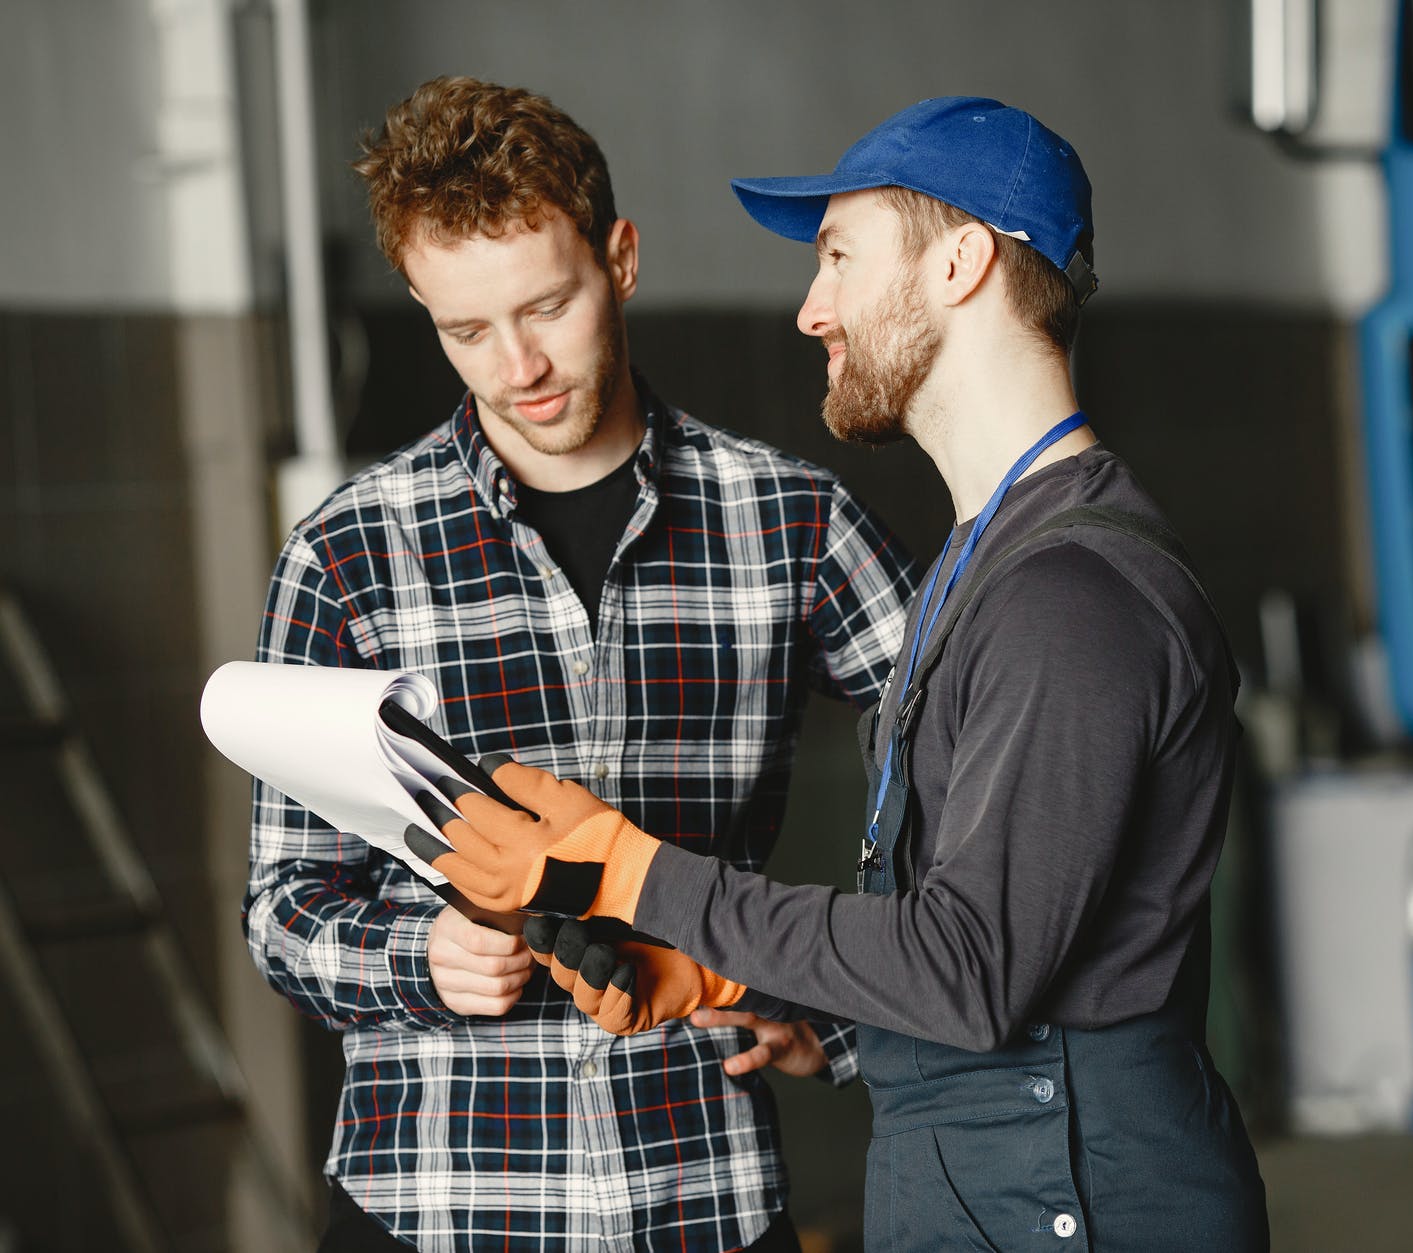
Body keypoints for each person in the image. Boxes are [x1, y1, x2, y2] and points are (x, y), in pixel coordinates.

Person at [411, 96, 1269, 1251]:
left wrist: (631, 871)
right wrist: (734, 983)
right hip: (1002, 1185)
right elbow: (975, 932)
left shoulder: (1070, 599)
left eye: (837, 256)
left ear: (962, 261)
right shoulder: (984, 561)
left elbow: (970, 967)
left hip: (1076, 1197)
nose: (812, 308)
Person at [242, 76, 916, 1253]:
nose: (516, 366)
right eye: (464, 330)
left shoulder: (790, 518)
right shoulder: (347, 553)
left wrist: (839, 1018)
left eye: (548, 305)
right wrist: (424, 956)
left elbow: (971, 802)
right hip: (433, 1199)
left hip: (700, 1187)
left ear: (622, 259)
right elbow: (281, 906)